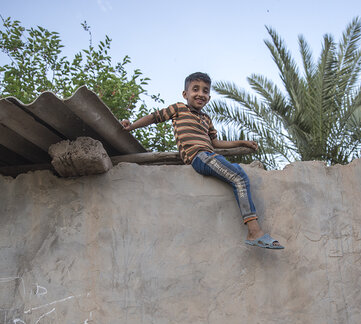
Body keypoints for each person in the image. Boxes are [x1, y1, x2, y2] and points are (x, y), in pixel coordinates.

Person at [120, 72, 284, 249]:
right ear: (185, 94)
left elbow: (215, 142)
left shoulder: (206, 119)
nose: (200, 94)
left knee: (237, 171)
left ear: (209, 97)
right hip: (199, 157)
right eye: (195, 89)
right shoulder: (178, 109)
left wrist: (241, 142)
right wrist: (132, 126)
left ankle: (255, 231)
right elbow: (154, 117)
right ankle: (254, 232)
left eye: (205, 91)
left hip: (210, 155)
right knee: (239, 177)